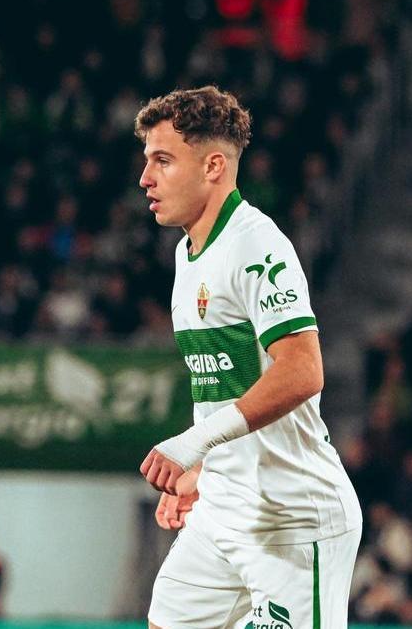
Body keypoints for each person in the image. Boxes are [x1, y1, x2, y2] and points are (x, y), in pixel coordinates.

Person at [135, 86, 361, 628]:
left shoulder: (257, 245)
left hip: (292, 518)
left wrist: (193, 443)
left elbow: (303, 370)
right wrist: (205, 470)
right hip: (223, 507)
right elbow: (230, 386)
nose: (145, 178)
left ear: (213, 166)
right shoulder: (187, 254)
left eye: (163, 161)